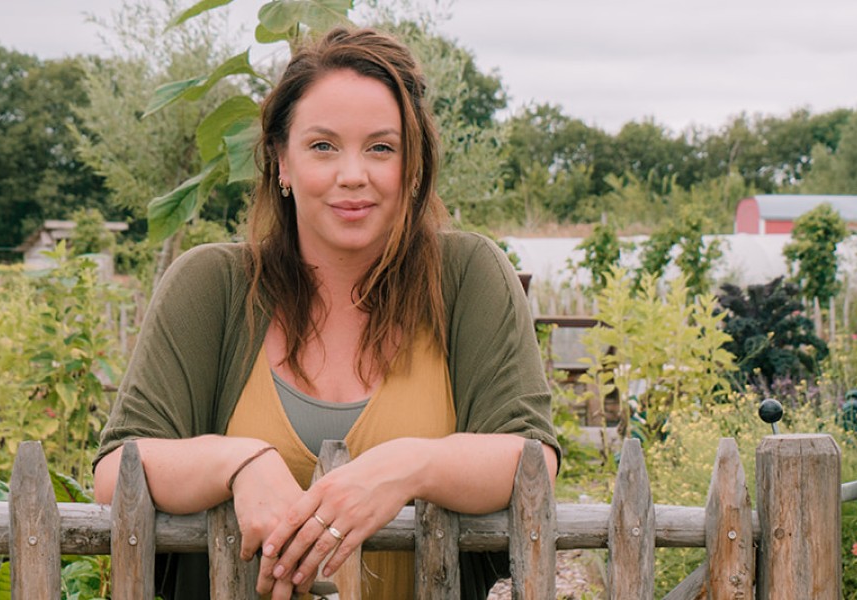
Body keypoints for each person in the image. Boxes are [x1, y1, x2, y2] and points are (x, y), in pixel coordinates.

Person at [93, 27, 558, 600]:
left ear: (413, 165)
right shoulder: (211, 286)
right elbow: (116, 472)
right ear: (281, 162)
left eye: (381, 148)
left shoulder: (468, 276)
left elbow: (531, 460)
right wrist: (239, 461)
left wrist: (407, 466)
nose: (353, 174)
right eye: (323, 146)